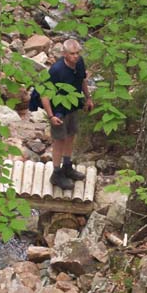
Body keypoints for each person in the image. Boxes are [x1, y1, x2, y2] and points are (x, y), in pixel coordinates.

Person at [41, 39, 94, 190]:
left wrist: (88, 98)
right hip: (58, 110)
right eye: (72, 54)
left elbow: (82, 79)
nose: (76, 56)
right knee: (59, 140)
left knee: (71, 135)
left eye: (77, 53)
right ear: (64, 54)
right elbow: (44, 94)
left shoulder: (79, 62)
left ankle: (67, 166)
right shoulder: (56, 70)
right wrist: (51, 116)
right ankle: (56, 174)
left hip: (73, 105)